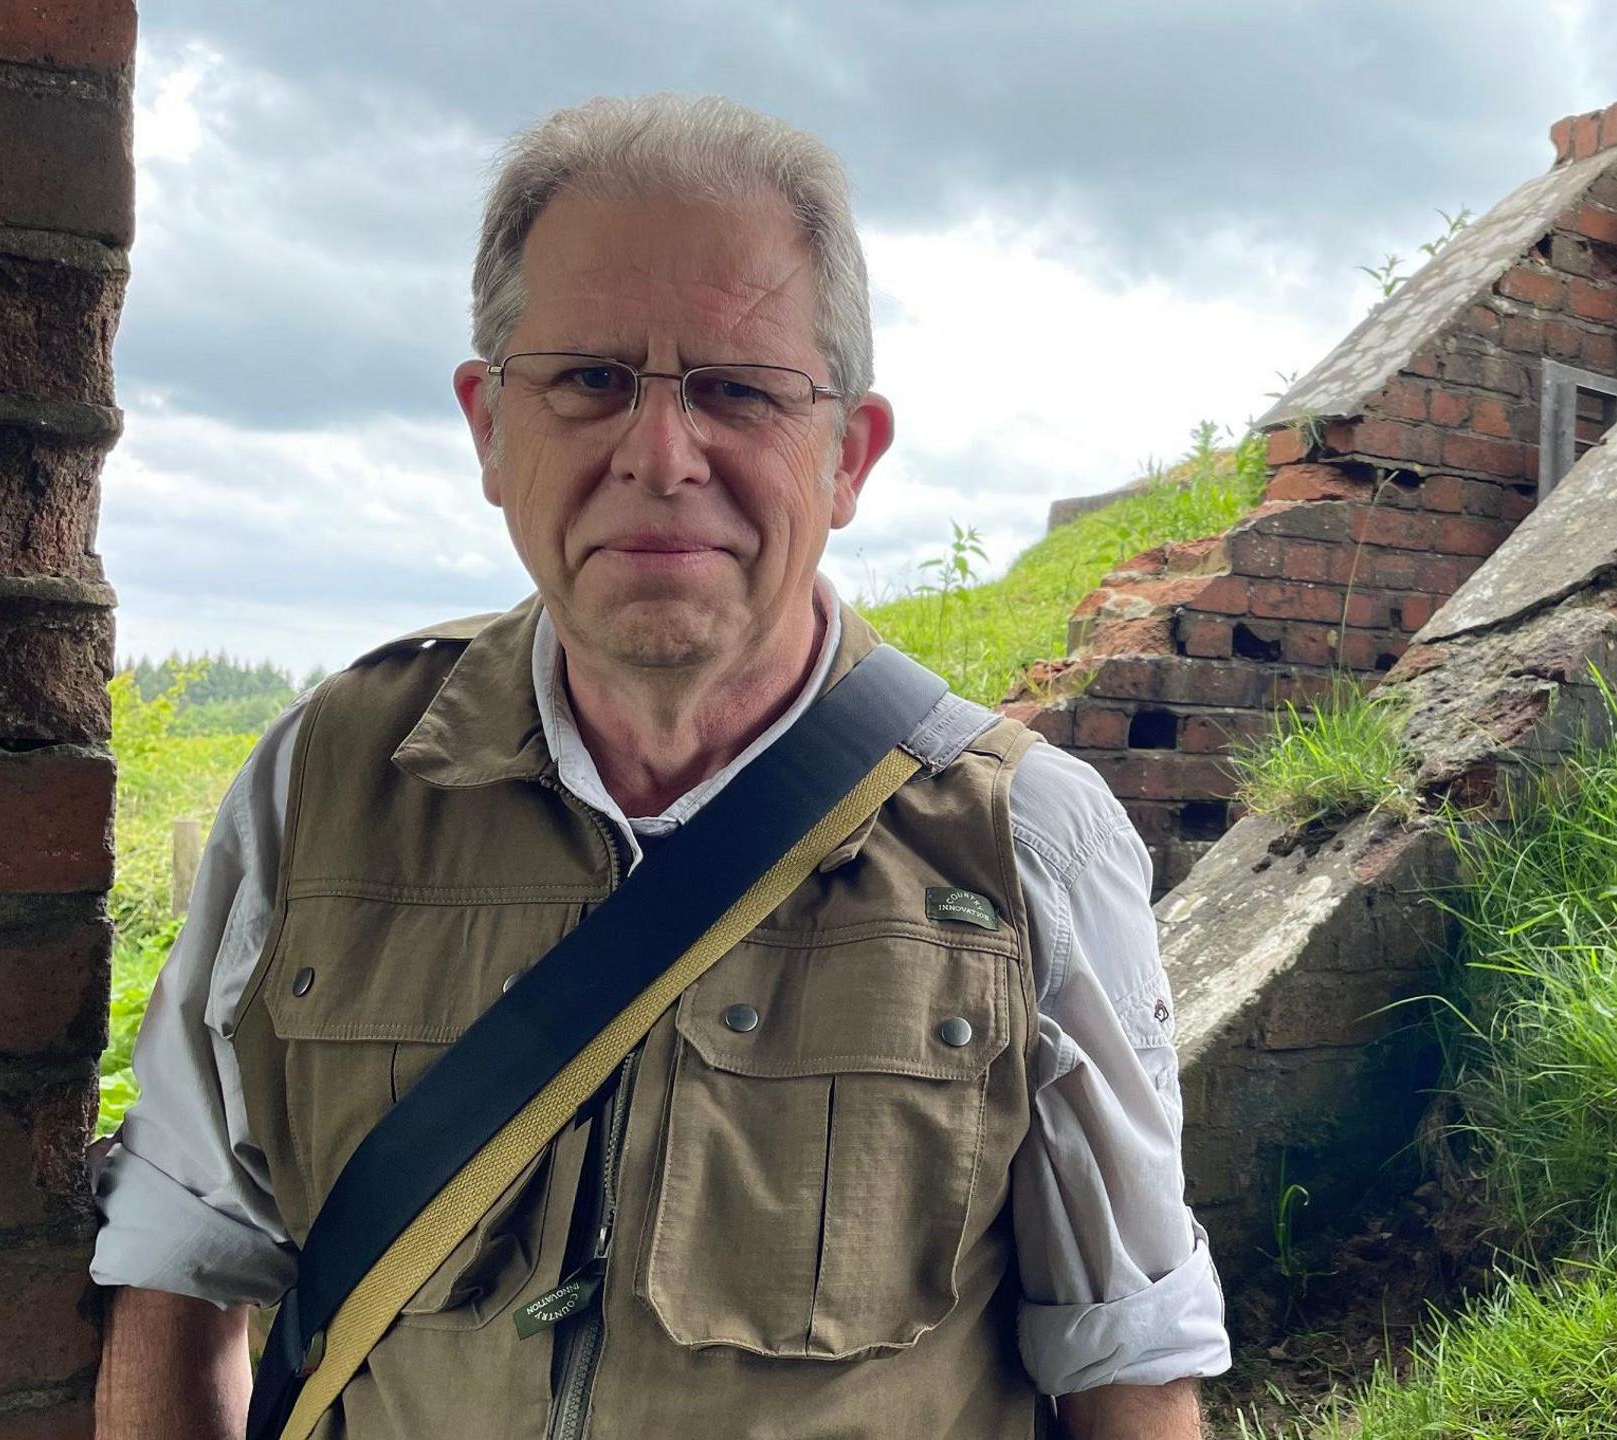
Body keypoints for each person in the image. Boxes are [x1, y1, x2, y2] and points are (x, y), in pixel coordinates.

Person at [88, 93, 1229, 1439]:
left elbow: (1128, 1371)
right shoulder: (326, 780)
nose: (659, 454)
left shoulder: (1024, 838)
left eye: (739, 391)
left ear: (848, 453)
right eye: (589, 381)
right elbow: (180, 1281)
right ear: (489, 428)